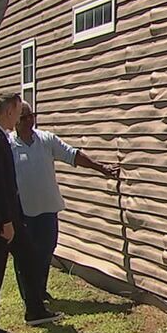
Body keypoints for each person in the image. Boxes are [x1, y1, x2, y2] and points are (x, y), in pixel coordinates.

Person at [0, 92, 63, 333]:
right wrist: (6, 223)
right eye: (18, 112)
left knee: (29, 258)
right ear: (9, 111)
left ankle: (35, 311)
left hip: (10, 216)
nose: (20, 118)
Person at [12, 102, 119, 304]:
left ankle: (39, 291)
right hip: (23, 212)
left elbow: (72, 155)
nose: (29, 121)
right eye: (24, 118)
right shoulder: (9, 145)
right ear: (15, 121)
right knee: (25, 256)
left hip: (47, 209)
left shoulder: (46, 140)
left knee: (46, 251)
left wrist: (101, 168)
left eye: (31, 116)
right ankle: (29, 297)